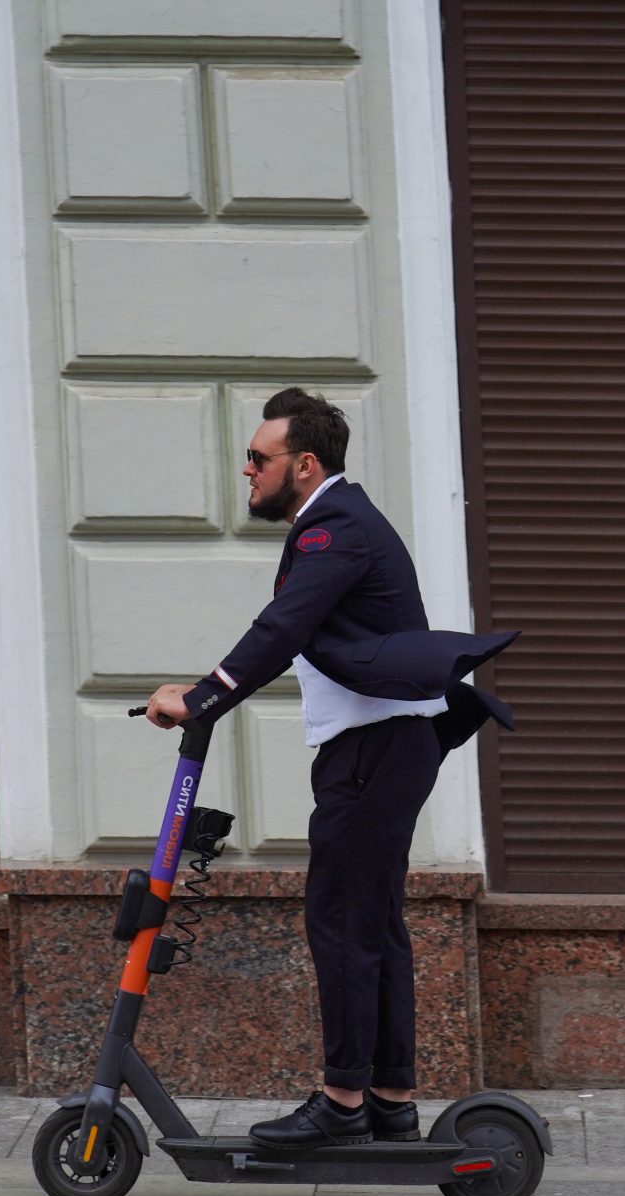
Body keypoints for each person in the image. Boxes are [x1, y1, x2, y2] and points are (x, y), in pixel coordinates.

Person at [142, 387, 516, 1148]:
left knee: (343, 920)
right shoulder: (338, 524)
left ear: (304, 465)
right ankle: (388, 1097)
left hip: (374, 752)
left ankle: (343, 1102)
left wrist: (203, 696)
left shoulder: (335, 527)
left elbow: (285, 626)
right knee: (371, 922)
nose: (246, 471)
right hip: (380, 748)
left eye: (258, 458)